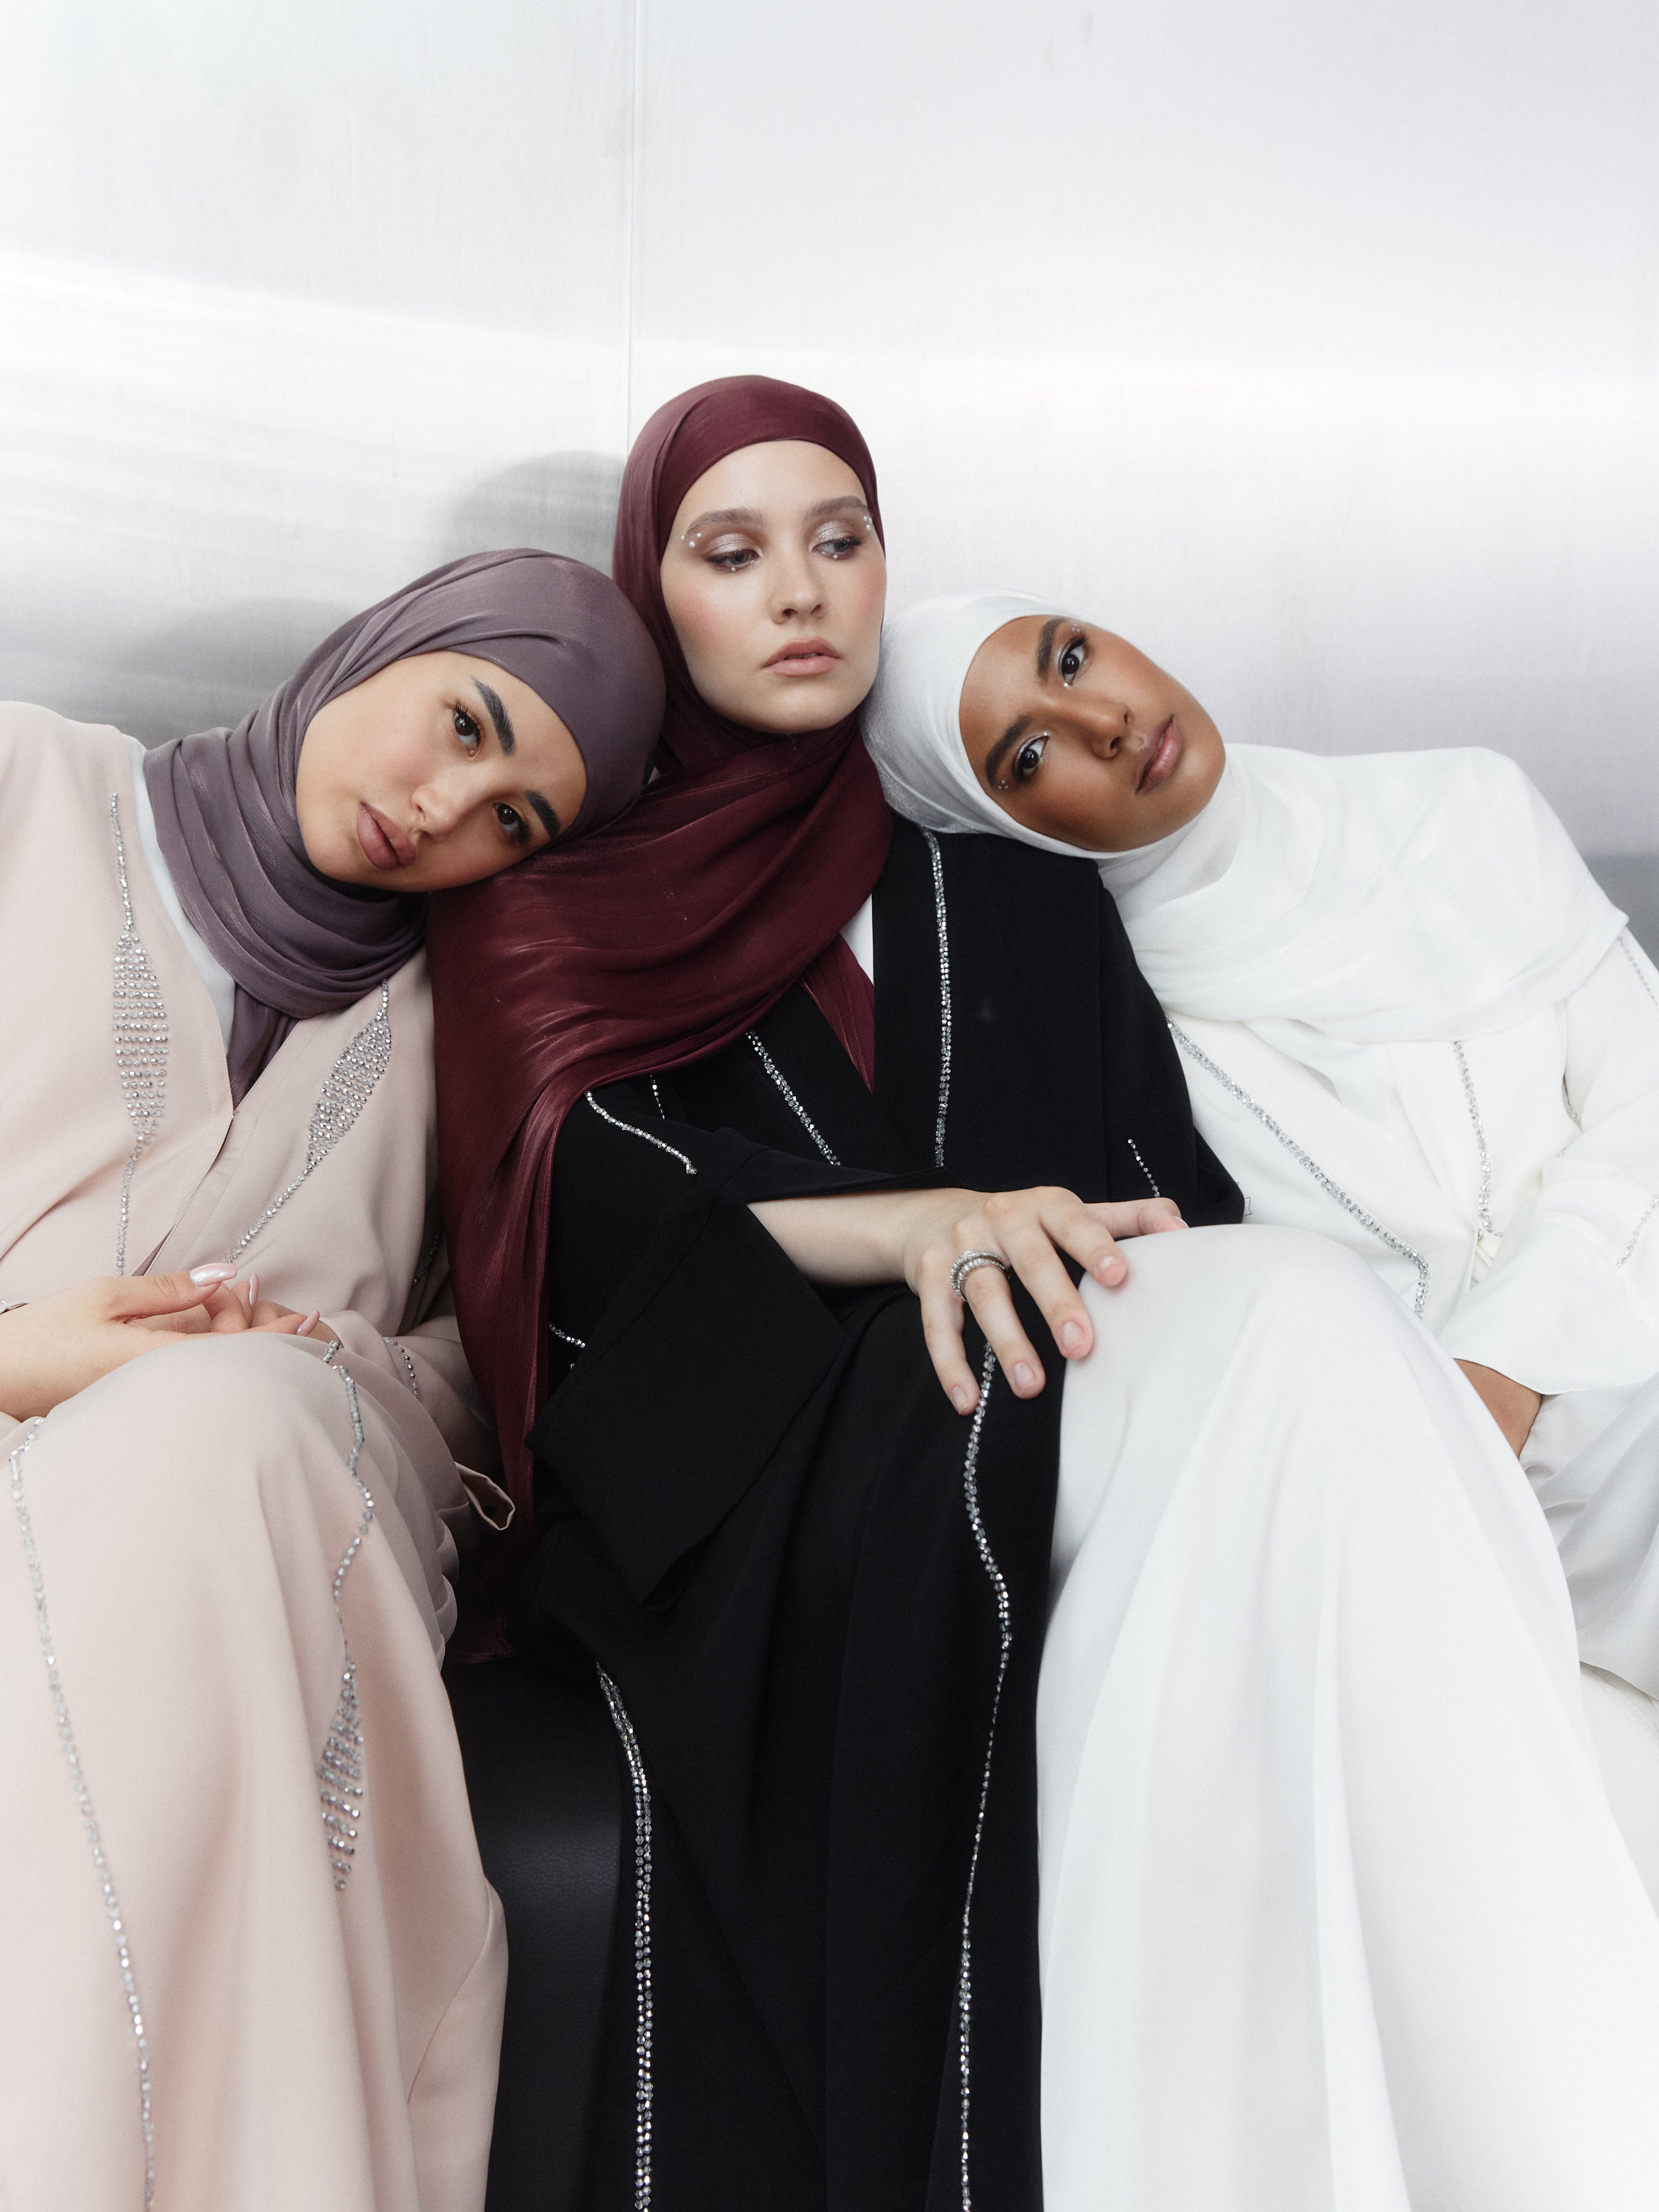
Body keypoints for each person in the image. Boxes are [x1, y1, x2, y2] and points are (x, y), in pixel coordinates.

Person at [432, 385, 1659, 2212]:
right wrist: (921, 1225)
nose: (802, 592)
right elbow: (578, 1210)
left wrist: (1087, 1259)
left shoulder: (1004, 875)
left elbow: (1168, 1183)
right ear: (654, 595)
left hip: (1067, 1376)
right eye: (734, 551)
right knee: (1288, 1343)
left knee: (1302, 1327)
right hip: (771, 1468)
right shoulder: (557, 896)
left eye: (841, 539)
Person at [0, 550, 664, 2212]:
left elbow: (473, 1379)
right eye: (461, 722)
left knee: (223, 1438)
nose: (443, 807)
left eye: (513, 818)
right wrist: (33, 1363)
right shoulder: (23, 792)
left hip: (255, 1533)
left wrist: (296, 1363)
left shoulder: (471, 1022)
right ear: (386, 644)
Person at [864, 589, 1659, 1882]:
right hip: (1467, 1500)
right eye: (1027, 756)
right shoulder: (1110, 1048)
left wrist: (1507, 1372)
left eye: (1071, 657)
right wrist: (1466, 1426)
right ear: (998, 826)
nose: (1108, 719)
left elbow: (1648, 1105)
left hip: (1576, 1393)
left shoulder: (1465, 808)